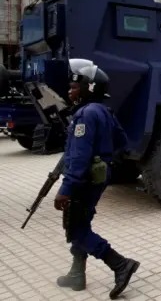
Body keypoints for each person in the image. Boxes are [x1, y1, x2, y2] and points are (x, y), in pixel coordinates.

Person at [54, 58, 139, 300]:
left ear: (88, 88)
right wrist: (104, 158)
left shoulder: (85, 115)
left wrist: (66, 188)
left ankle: (120, 264)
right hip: (98, 177)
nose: (70, 91)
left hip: (83, 180)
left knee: (77, 230)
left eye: (74, 87)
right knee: (82, 224)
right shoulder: (104, 111)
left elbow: (79, 157)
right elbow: (122, 143)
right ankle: (77, 275)